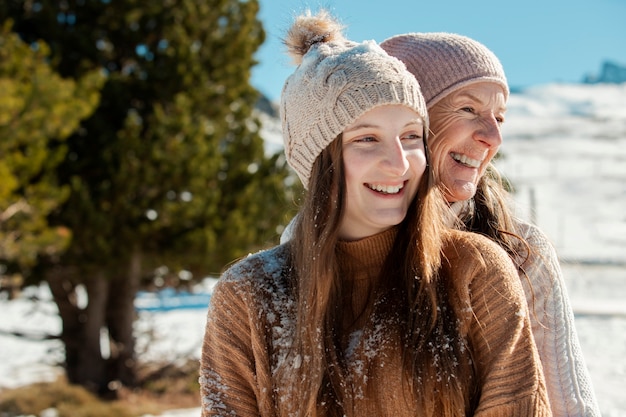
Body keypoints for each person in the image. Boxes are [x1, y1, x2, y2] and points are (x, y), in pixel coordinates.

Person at [200, 10, 552, 417]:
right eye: (367, 138)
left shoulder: (475, 272)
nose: (399, 163)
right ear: (320, 162)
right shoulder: (248, 295)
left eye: (410, 136)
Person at [381, 33, 601, 416]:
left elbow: (572, 407)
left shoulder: (521, 252)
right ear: (407, 122)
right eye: (468, 109)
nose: (493, 137)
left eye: (499, 118)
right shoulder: (323, 246)